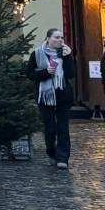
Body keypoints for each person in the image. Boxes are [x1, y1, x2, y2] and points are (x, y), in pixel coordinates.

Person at [30, 28, 77, 169]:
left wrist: (68, 57)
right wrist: (46, 72)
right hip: (45, 97)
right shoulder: (37, 53)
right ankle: (51, 152)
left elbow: (70, 75)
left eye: (61, 37)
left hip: (63, 95)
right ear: (48, 39)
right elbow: (30, 74)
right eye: (56, 37)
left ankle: (63, 158)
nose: (60, 40)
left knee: (63, 127)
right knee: (50, 128)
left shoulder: (65, 54)